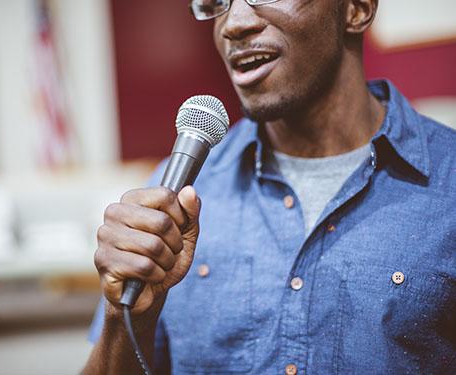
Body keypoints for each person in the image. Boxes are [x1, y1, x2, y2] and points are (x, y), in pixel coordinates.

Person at [84, 0, 456, 373]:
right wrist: (124, 316)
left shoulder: (448, 183)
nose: (234, 24)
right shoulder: (181, 194)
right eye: (217, 2)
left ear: (356, 9)